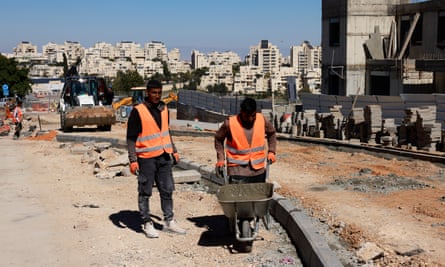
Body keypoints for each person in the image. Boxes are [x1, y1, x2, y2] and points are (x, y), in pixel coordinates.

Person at [126, 79, 186, 238]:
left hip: (164, 156)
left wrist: (174, 150)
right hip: (146, 158)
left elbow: (166, 131)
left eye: (159, 93)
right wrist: (133, 160)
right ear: (147, 93)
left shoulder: (164, 108)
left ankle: (169, 220)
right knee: (145, 191)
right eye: (154, 93)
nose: (157, 96)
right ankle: (146, 222)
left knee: (167, 189)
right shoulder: (138, 111)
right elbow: (131, 138)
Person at [214, 97, 277, 184]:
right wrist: (220, 159)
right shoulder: (230, 123)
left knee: (257, 196)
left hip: (258, 170)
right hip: (237, 170)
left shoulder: (262, 120)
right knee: (239, 196)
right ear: (241, 112)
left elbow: (272, 133)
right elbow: (218, 139)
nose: (250, 119)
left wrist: (272, 151)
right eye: (247, 116)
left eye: (253, 115)